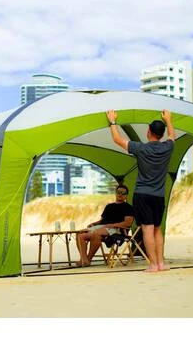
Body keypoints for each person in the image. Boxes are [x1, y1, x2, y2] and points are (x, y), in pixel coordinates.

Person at [106, 109, 175, 273]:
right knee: (157, 229)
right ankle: (161, 263)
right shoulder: (167, 147)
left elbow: (117, 139)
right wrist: (168, 119)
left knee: (147, 229)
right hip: (159, 196)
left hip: (142, 195)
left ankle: (153, 265)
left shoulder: (141, 148)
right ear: (162, 134)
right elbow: (172, 135)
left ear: (148, 131)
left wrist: (112, 121)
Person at [75, 185, 134, 267]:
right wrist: (94, 224)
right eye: (118, 192)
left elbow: (128, 223)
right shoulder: (109, 206)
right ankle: (84, 259)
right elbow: (102, 221)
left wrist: (113, 225)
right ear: (115, 193)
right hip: (103, 227)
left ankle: (88, 259)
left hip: (117, 230)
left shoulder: (128, 207)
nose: (120, 194)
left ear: (126, 195)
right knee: (80, 234)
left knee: (96, 233)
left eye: (123, 193)